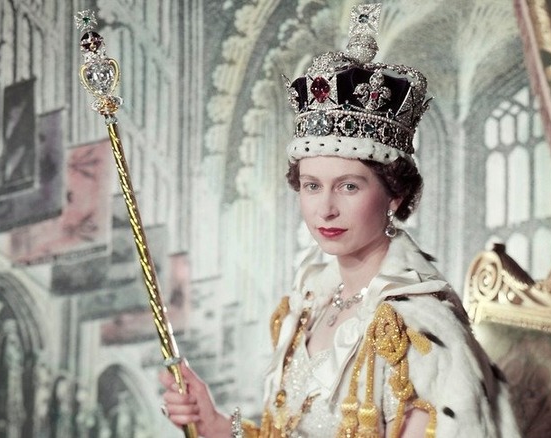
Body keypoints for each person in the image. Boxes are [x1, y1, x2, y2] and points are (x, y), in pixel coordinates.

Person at [160, 4, 519, 437]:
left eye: (349, 186)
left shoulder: (423, 336)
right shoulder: (310, 300)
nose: (325, 209)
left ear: (394, 194)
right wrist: (214, 423)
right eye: (312, 186)